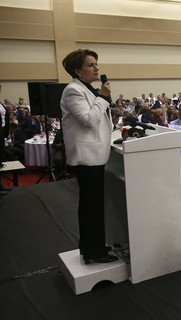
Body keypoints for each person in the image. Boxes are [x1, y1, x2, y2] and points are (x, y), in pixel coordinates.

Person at [60, 49, 117, 264]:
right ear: (77, 70)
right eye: (91, 65)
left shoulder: (86, 88)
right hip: (87, 157)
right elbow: (88, 120)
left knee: (94, 204)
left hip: (95, 155)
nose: (97, 68)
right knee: (91, 206)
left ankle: (93, 246)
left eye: (96, 64)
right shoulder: (73, 90)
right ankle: (93, 253)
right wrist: (102, 97)